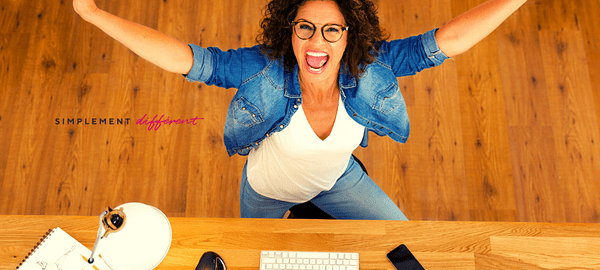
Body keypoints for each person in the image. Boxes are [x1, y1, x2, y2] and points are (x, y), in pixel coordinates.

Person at [73, 0, 527, 220]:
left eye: (332, 30)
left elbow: (445, 41)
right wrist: (92, 14)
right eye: (305, 27)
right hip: (265, 192)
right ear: (289, 31)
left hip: (337, 182)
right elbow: (189, 59)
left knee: (402, 240)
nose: (316, 42)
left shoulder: (374, 66)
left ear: (350, 35)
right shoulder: (262, 69)